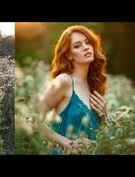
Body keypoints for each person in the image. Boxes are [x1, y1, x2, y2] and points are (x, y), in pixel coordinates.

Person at [36, 25, 107, 154]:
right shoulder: (64, 81)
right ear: (69, 54)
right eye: (77, 45)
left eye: (88, 42)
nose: (85, 47)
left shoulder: (94, 86)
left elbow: (96, 134)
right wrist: (68, 143)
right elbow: (32, 119)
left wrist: (104, 116)